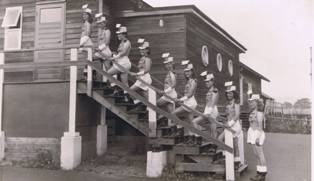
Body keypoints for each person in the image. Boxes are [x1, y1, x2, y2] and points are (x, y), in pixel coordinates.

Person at [172, 60, 198, 145]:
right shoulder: (189, 81)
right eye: (185, 72)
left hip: (190, 103)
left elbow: (190, 94)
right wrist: (182, 99)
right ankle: (195, 138)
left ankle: (180, 130)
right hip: (188, 102)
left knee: (173, 113)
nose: (187, 73)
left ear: (192, 72)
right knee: (191, 121)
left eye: (188, 71)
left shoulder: (193, 81)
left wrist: (180, 100)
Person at [217, 81, 242, 167]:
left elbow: (237, 114)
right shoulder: (228, 103)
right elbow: (228, 116)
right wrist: (221, 118)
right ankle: (233, 161)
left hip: (235, 125)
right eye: (227, 93)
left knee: (221, 138)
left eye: (230, 93)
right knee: (232, 143)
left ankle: (222, 157)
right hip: (229, 124)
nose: (228, 95)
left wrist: (230, 123)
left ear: (234, 94)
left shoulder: (236, 102)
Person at [106, 24, 132, 102]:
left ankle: (115, 89)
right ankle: (128, 99)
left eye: (119, 34)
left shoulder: (127, 42)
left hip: (124, 62)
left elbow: (123, 53)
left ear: (124, 34)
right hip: (122, 62)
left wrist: (115, 57)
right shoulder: (121, 43)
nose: (118, 35)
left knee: (108, 73)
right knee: (125, 82)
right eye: (118, 34)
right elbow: (119, 53)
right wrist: (115, 55)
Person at [192, 73, 219, 139]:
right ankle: (198, 137)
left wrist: (209, 112)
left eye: (208, 82)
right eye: (206, 82)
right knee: (194, 121)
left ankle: (214, 145)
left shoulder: (215, 90)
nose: (206, 83)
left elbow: (213, 102)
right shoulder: (209, 90)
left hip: (212, 111)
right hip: (207, 111)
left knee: (213, 131)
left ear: (212, 81)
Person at [129, 38, 152, 111]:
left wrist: (136, 74)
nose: (141, 51)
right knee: (144, 93)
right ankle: (147, 107)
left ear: (147, 50)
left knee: (130, 90)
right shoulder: (142, 58)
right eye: (141, 49)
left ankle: (139, 104)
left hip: (145, 78)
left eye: (143, 49)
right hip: (141, 78)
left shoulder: (147, 58)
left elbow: (147, 69)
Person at [247, 94, 267, 181]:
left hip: (257, 134)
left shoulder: (259, 113)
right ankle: (259, 173)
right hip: (252, 133)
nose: (250, 103)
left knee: (260, 154)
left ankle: (263, 175)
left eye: (252, 102)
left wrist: (258, 138)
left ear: (257, 103)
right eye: (250, 102)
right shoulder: (252, 112)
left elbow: (260, 127)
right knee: (256, 155)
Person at [156, 53, 177, 127]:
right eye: (166, 64)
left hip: (169, 95)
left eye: (169, 64)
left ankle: (161, 118)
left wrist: (164, 92)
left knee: (156, 104)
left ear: (172, 64)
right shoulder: (169, 72)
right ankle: (176, 129)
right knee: (172, 114)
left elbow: (174, 85)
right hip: (169, 95)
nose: (167, 66)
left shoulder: (172, 73)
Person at [94, 15, 112, 83]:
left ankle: (113, 85)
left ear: (104, 23)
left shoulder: (107, 31)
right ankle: (99, 81)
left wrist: (100, 48)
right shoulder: (100, 31)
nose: (99, 25)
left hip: (105, 51)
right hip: (100, 51)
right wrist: (97, 48)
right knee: (96, 63)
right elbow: (99, 42)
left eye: (101, 23)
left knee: (108, 69)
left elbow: (107, 42)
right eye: (98, 24)